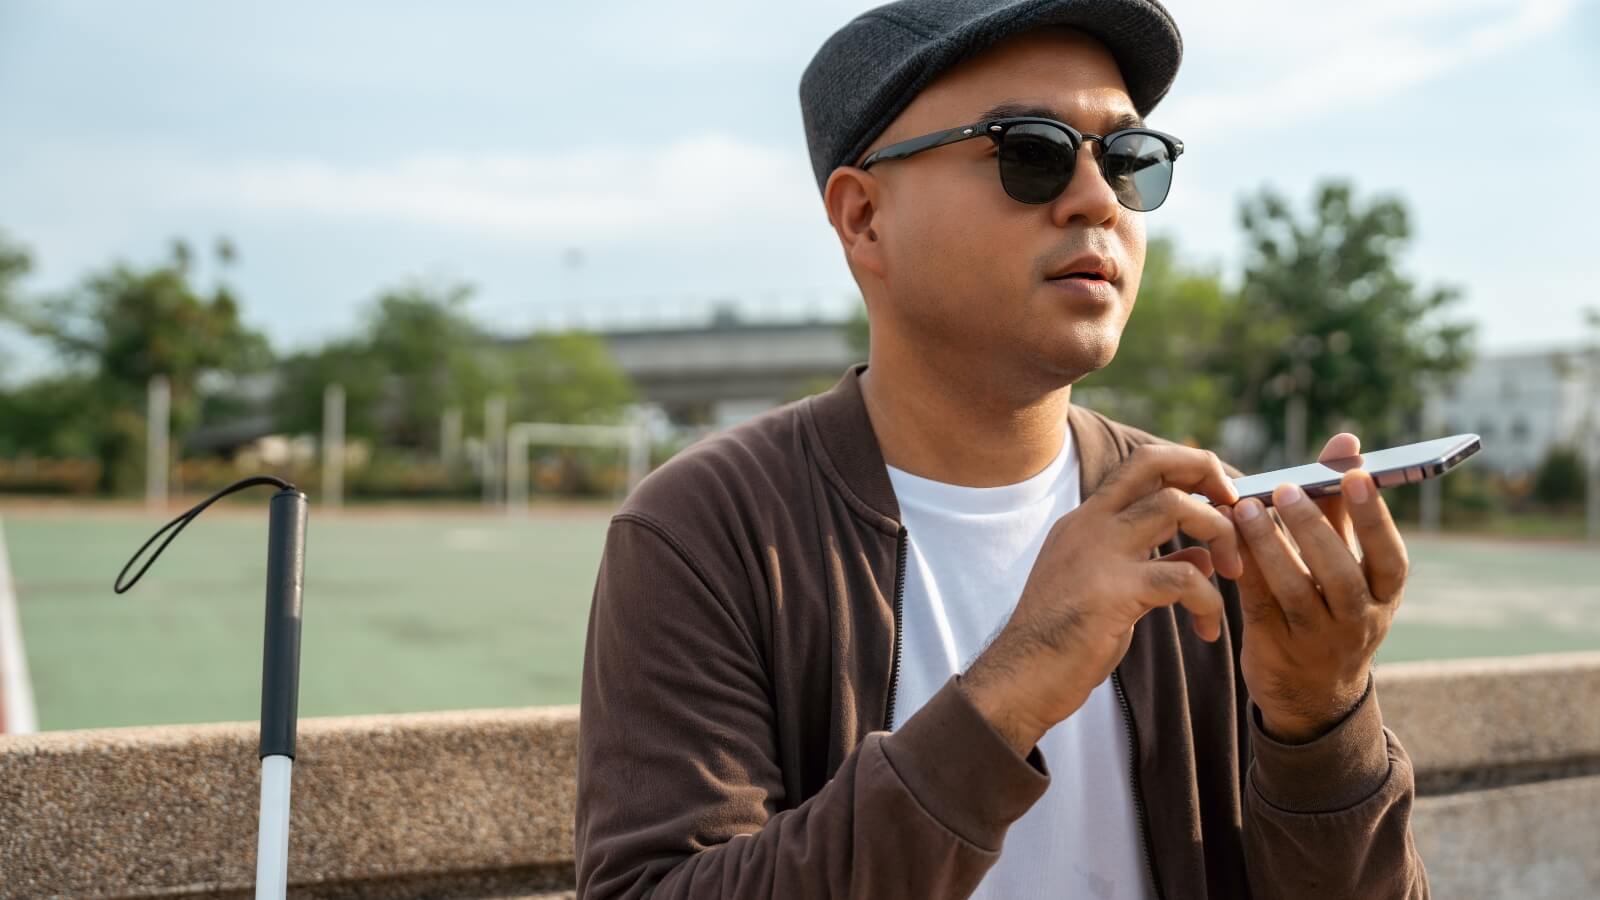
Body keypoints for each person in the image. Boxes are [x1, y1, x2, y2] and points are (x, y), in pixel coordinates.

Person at [575, 1, 1427, 897]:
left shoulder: (1201, 525)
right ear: (864, 218)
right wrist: (1009, 692)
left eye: (1131, 159)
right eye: (1032, 150)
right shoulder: (708, 530)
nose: (1099, 198)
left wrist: (1320, 725)